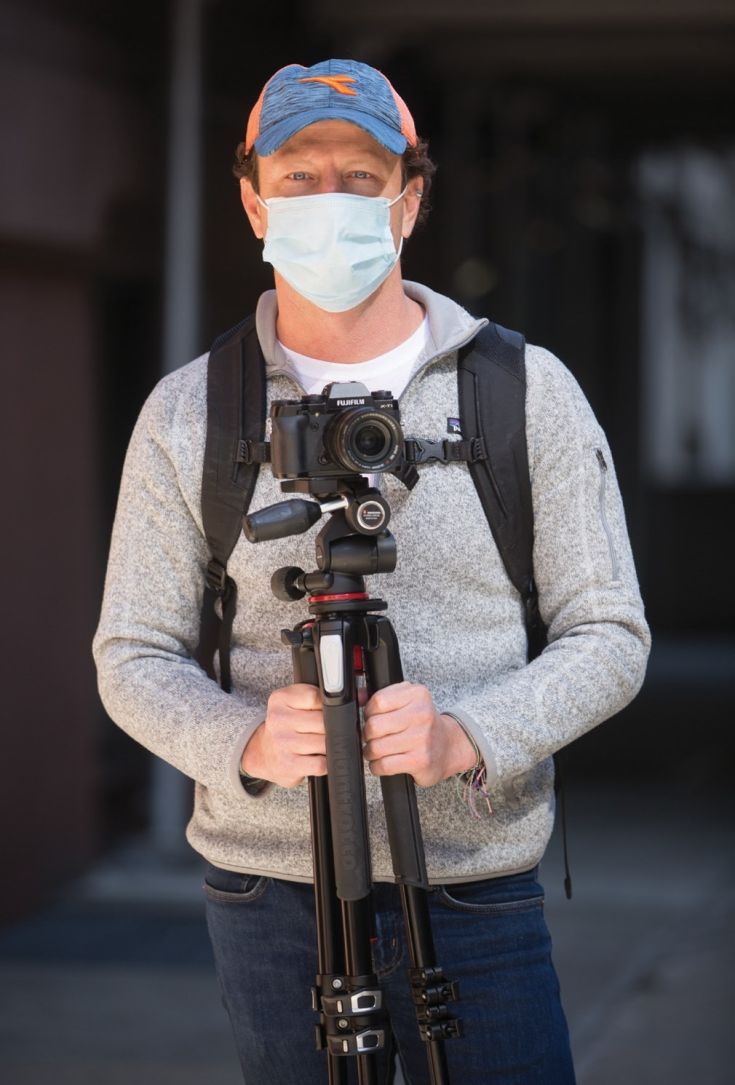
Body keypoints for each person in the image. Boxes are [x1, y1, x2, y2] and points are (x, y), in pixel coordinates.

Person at [93, 59, 650, 1084]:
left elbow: (611, 631)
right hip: (270, 888)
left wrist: (471, 735)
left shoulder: (525, 392)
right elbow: (131, 651)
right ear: (253, 201)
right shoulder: (190, 410)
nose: (330, 201)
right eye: (298, 177)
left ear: (410, 199)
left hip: (476, 879)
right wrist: (244, 736)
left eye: (361, 174)